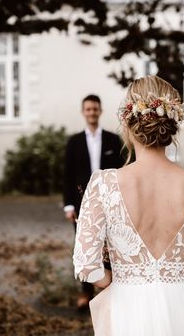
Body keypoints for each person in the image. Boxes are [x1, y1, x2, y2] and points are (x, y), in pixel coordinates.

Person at [73, 75, 184, 335]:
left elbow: (87, 267)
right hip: (183, 305)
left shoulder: (104, 185)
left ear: (127, 121)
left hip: (127, 306)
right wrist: (175, 278)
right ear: (172, 124)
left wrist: (120, 280)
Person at [63, 94, 124, 310]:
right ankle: (85, 293)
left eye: (95, 109)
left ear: (100, 111)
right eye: (88, 109)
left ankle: (109, 290)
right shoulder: (74, 142)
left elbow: (121, 172)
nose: (91, 112)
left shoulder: (113, 140)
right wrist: (69, 205)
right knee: (85, 246)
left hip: (109, 201)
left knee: (111, 244)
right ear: (83, 112)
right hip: (81, 203)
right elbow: (67, 175)